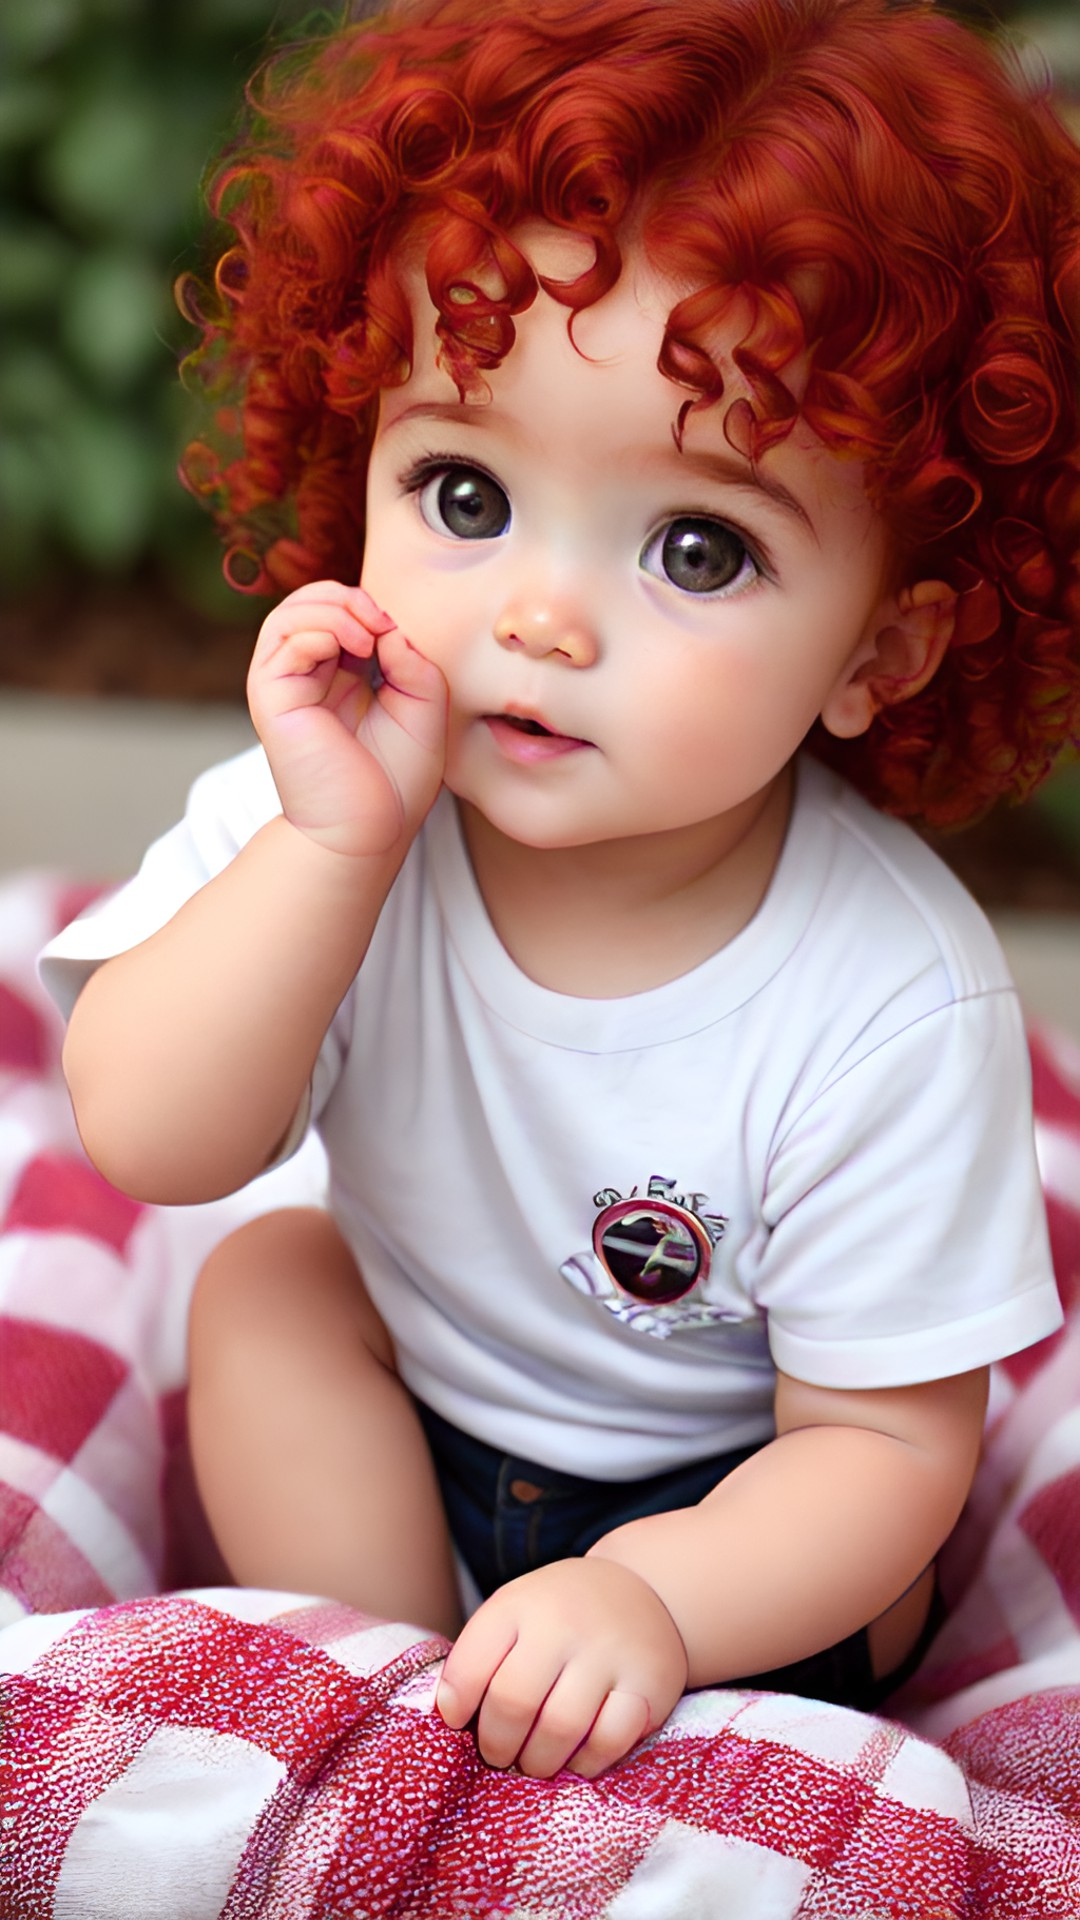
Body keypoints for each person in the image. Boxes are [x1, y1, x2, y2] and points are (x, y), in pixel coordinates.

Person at [41, 0, 1079, 1782]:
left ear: (881, 653)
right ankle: (389, 1710)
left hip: (745, 1523)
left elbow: (889, 1456)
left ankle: (567, 1718)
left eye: (699, 546)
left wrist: (657, 1599)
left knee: (836, 1532)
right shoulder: (335, 812)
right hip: (419, 1442)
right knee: (265, 1283)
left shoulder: (889, 993)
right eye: (463, 489)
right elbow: (150, 1138)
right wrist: (329, 854)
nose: (539, 617)